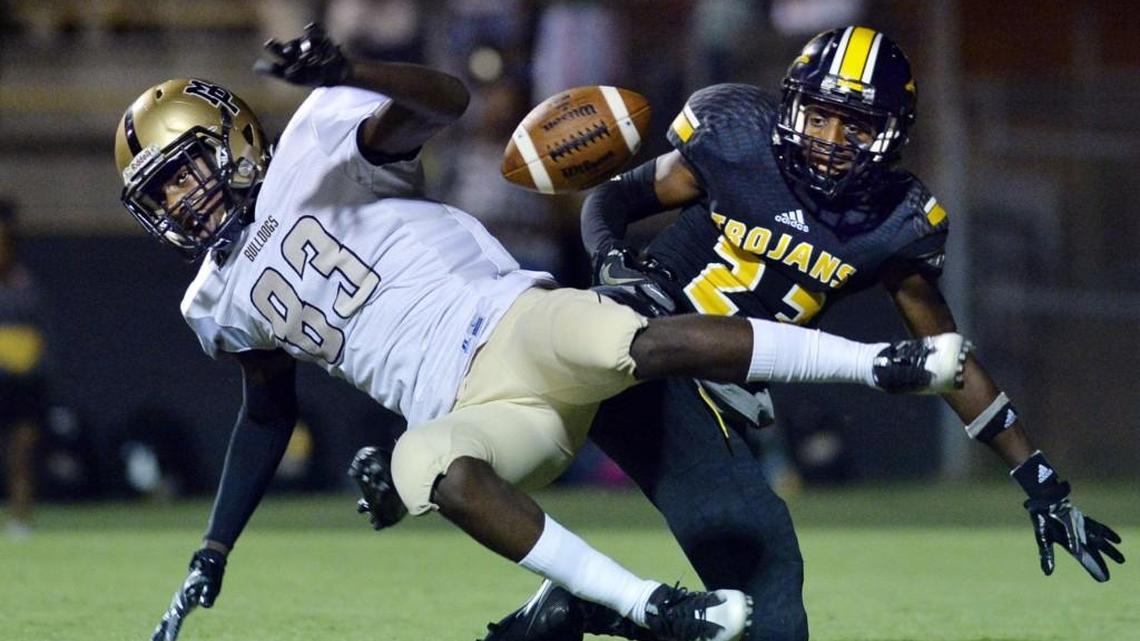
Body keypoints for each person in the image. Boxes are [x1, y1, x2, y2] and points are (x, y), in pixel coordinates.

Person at [118, 25, 969, 641]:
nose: (184, 200)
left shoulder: (315, 142)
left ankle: (879, 364)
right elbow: (266, 412)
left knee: (625, 336)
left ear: (234, 138)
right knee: (424, 466)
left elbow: (445, 101)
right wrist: (214, 544)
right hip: (473, 410)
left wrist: (351, 67)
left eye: (187, 170)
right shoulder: (212, 302)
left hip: (510, 322)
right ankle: (645, 607)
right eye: (162, 194)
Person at [474, 26, 1126, 641]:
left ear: (890, 133)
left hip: (708, 401)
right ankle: (448, 482)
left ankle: (589, 606)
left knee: (775, 619)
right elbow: (611, 199)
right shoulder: (737, 135)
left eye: (854, 123)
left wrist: (1039, 479)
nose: (830, 136)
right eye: (818, 115)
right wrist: (613, 263)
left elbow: (947, 361)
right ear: (791, 107)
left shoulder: (898, 221)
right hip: (638, 346)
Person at [0, 198, 48, 540]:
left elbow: (40, 334)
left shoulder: (26, 283)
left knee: (22, 452)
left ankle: (20, 520)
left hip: (24, 381)